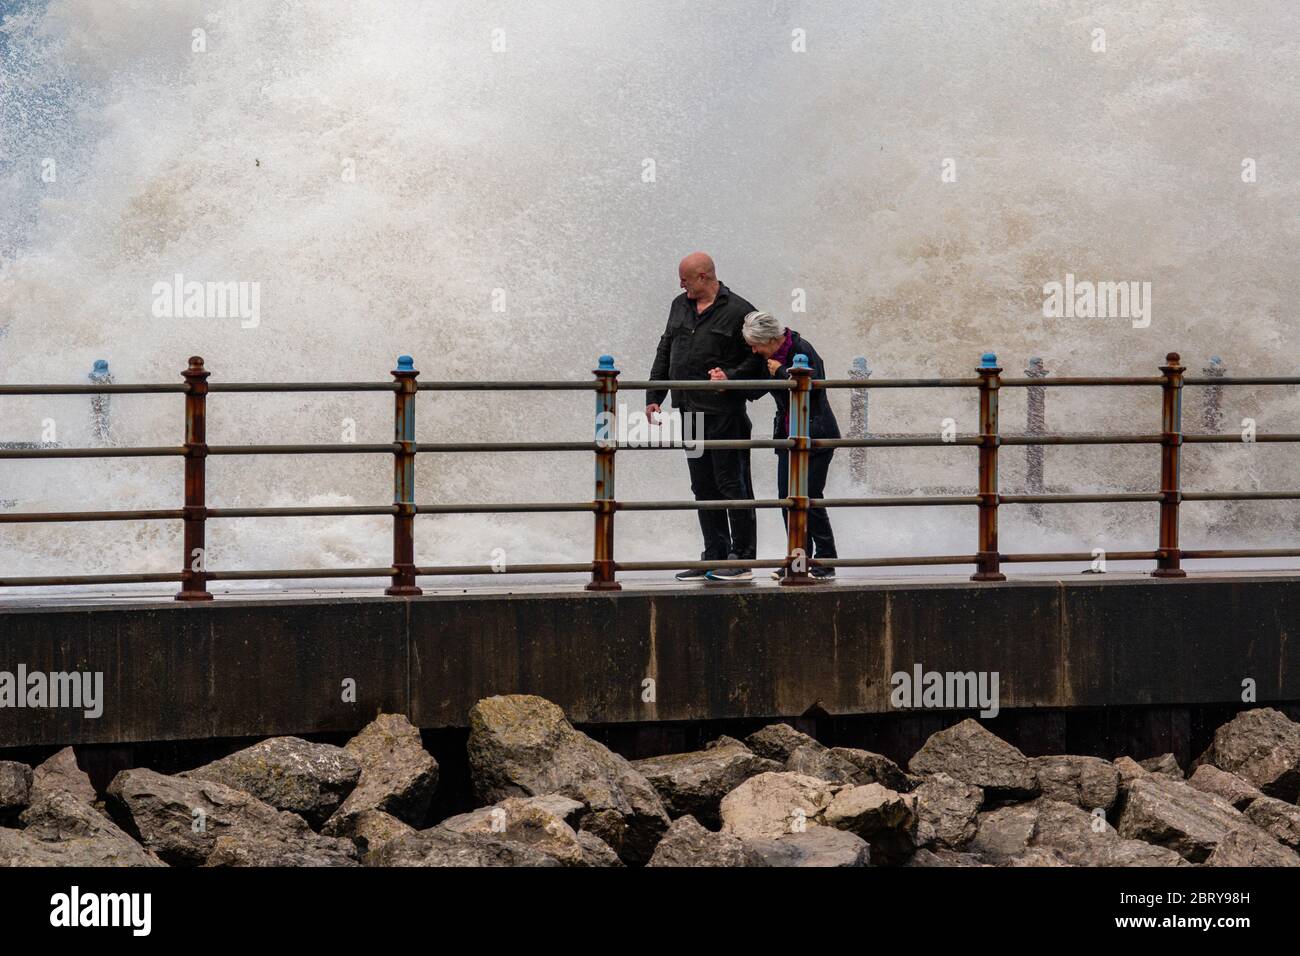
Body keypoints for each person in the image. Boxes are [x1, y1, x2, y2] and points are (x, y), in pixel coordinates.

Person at [647, 253, 765, 581]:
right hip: (690, 412)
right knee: (702, 485)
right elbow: (665, 348)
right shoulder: (679, 305)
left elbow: (758, 361)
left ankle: (741, 558)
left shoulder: (741, 311)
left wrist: (730, 377)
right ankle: (713, 555)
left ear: (703, 276)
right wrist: (654, 395)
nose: (680, 284)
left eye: (685, 279)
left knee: (733, 484)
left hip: (725, 414)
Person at [740, 310, 840, 579]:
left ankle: (826, 560)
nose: (753, 349)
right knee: (788, 499)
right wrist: (726, 381)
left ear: (772, 339)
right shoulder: (769, 357)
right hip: (788, 437)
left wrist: (782, 371)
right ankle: (797, 559)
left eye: (756, 344)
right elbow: (757, 390)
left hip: (816, 434)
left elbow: (813, 387)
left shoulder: (801, 348)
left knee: (809, 498)